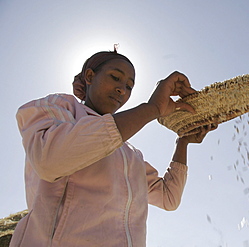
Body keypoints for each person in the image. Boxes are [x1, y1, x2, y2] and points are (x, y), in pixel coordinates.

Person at [10, 47, 216, 247]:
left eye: (129, 86)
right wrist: (151, 109)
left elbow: (168, 198)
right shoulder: (59, 108)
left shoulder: (130, 155)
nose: (122, 90)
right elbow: (50, 160)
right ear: (89, 76)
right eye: (115, 78)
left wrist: (183, 142)